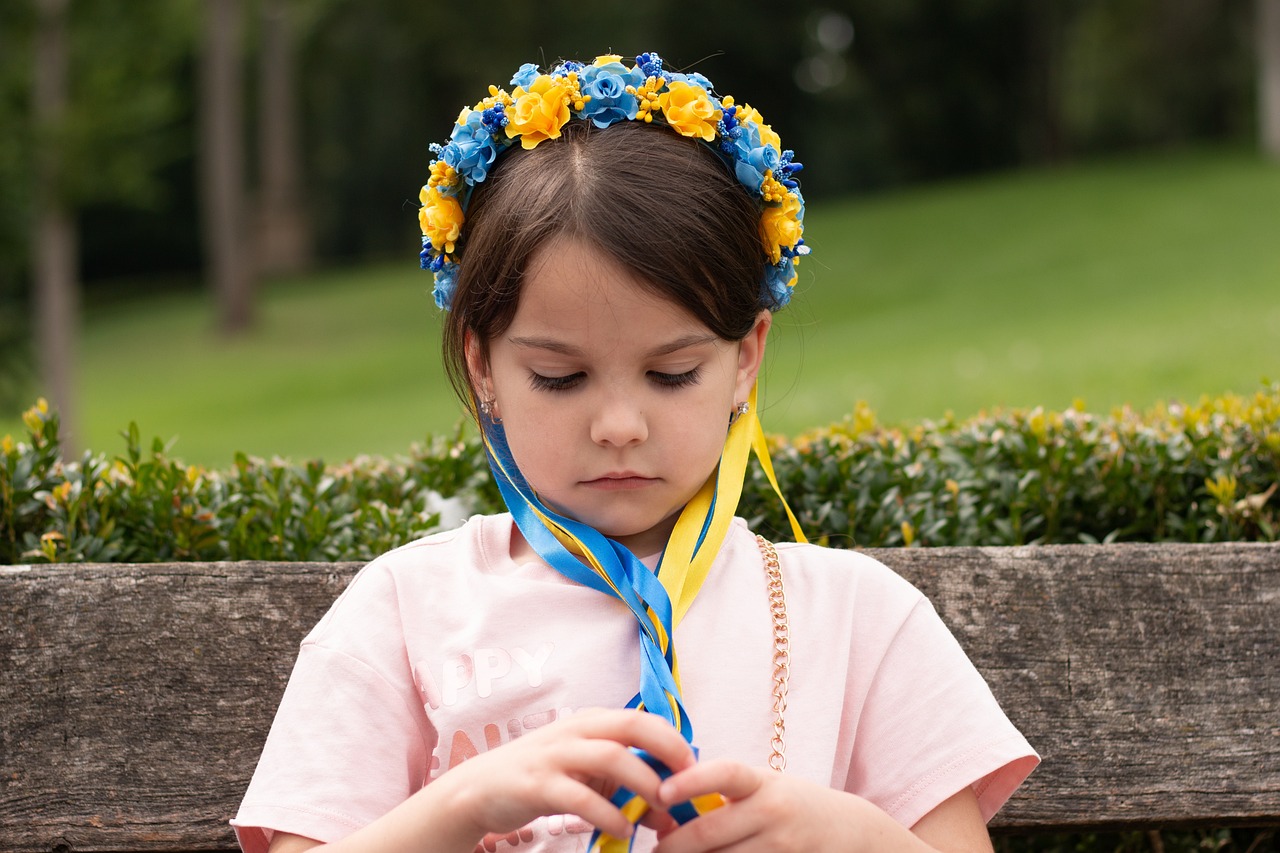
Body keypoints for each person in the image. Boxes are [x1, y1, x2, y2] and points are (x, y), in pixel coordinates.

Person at [232, 52, 1038, 853]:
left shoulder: (859, 619)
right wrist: (461, 804)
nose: (619, 423)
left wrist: (848, 834)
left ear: (745, 359)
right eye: (559, 376)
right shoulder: (403, 616)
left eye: (672, 372)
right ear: (483, 365)